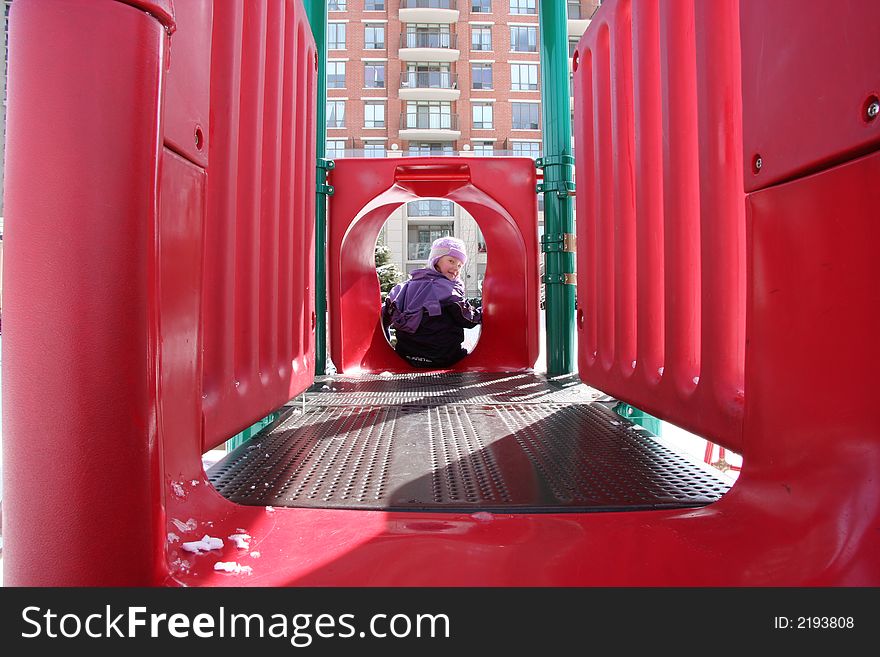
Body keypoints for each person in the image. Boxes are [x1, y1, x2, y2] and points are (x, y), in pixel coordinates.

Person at [382, 236, 482, 368]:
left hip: (406, 356)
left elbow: (385, 316)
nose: (456, 268)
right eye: (451, 261)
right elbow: (468, 320)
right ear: (435, 260)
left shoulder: (405, 287)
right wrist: (483, 311)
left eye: (459, 265)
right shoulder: (448, 290)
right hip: (442, 357)